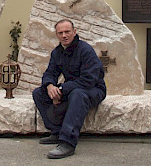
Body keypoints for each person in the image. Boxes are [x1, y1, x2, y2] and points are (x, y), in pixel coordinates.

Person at [32, 19, 107, 159]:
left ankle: (67, 142)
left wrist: (60, 89)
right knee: (38, 93)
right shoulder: (57, 52)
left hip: (93, 89)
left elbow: (88, 80)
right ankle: (57, 132)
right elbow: (50, 73)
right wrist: (49, 86)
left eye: (67, 32)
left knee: (78, 94)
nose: (64, 35)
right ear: (57, 35)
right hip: (71, 88)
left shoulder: (85, 50)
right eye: (60, 33)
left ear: (74, 32)